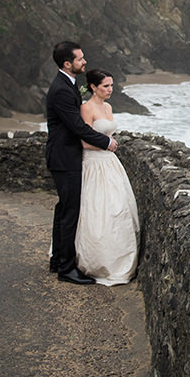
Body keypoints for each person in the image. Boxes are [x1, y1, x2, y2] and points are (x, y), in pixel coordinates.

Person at [46, 41, 118, 285]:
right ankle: (66, 269)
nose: (84, 62)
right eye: (80, 59)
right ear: (68, 63)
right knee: (69, 212)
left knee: (63, 209)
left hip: (65, 157)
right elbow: (76, 126)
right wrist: (106, 142)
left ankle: (57, 260)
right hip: (64, 158)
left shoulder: (69, 84)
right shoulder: (62, 90)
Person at [75, 68, 140, 285]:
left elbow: (107, 131)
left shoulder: (108, 106)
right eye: (105, 86)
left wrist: (109, 144)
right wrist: (107, 144)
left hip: (110, 163)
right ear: (93, 87)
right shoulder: (86, 108)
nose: (110, 90)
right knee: (97, 210)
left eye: (111, 85)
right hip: (94, 164)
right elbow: (84, 140)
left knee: (118, 208)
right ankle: (96, 262)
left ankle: (118, 260)